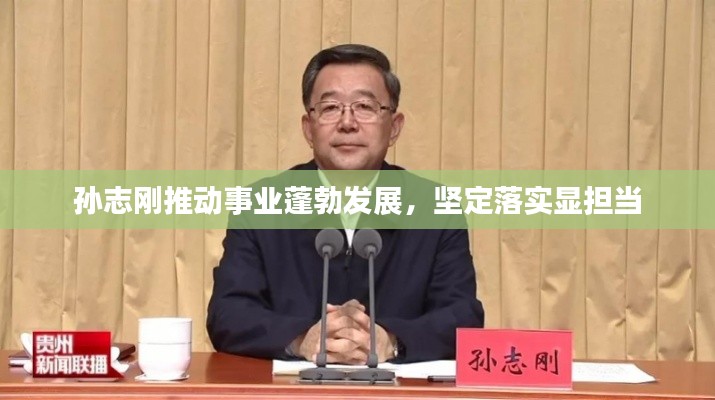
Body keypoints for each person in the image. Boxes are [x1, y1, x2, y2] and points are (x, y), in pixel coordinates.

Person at [207, 44, 484, 364]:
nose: (348, 122)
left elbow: (462, 316)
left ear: (394, 127)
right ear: (308, 128)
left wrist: (392, 341)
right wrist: (302, 340)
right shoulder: (260, 206)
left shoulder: (435, 209)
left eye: (365, 106)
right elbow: (228, 314)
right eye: (330, 108)